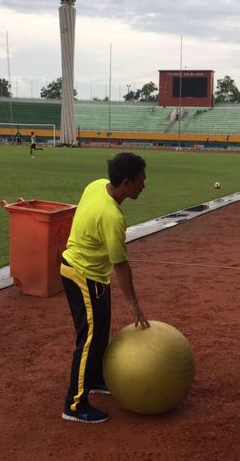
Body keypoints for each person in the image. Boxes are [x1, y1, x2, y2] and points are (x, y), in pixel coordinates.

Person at [60, 152, 150, 423]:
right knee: (88, 339)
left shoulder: (97, 184)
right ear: (126, 182)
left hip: (92, 274)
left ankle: (95, 378)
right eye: (141, 181)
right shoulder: (112, 217)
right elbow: (121, 266)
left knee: (99, 333)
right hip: (82, 274)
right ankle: (74, 405)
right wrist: (135, 305)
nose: (144, 185)